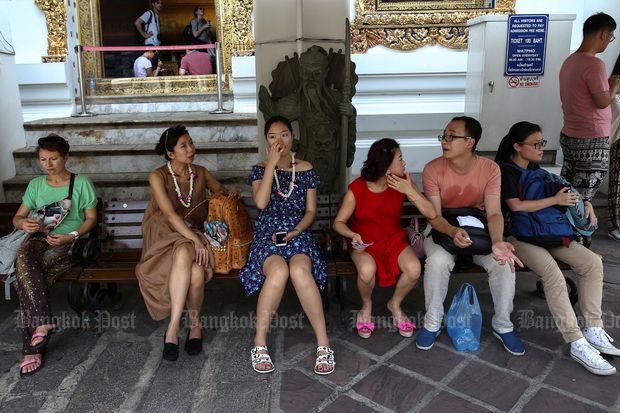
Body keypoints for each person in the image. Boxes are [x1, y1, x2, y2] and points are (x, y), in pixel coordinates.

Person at [495, 121, 620, 375]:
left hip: (550, 233)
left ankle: (593, 328)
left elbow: (561, 191)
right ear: (518, 146)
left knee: (591, 263)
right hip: (520, 237)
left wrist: (584, 201)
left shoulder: (535, 169)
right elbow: (515, 207)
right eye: (536, 144)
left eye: (542, 143)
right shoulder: (505, 172)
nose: (542, 148)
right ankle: (576, 341)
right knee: (552, 274)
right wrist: (554, 200)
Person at [417, 116, 525, 355]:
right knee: (437, 261)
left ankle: (502, 325)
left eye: (451, 136)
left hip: (479, 229)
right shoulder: (433, 168)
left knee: (503, 263)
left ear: (469, 142)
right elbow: (433, 216)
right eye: (443, 135)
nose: (444, 141)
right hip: (442, 228)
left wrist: (498, 242)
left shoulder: (490, 169)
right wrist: (452, 231)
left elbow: (495, 213)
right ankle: (432, 322)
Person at [239, 115, 335, 375]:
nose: (279, 140)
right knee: (279, 271)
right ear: (266, 141)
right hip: (267, 234)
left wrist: (294, 232)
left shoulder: (305, 169)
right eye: (272, 136)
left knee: (300, 270)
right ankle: (259, 342)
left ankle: (323, 343)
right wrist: (271, 165)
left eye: (284, 134)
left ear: (292, 137)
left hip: (297, 232)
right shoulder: (260, 169)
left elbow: (311, 211)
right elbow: (260, 203)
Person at [135, 125, 233, 362]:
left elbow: (222, 192)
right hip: (163, 232)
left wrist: (229, 196)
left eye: (191, 143)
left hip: (191, 233)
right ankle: (186, 325)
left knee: (196, 273)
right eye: (184, 145)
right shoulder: (157, 176)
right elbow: (168, 214)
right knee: (186, 254)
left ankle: (177, 327)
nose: (191, 149)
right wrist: (194, 240)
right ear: (170, 153)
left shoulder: (201, 172)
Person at [332, 138, 437, 339]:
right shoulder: (358, 188)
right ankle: (366, 306)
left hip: (393, 239)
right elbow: (339, 222)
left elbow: (431, 212)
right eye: (400, 158)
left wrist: (410, 191)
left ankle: (395, 304)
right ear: (386, 164)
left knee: (414, 269)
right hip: (364, 242)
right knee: (366, 270)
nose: (404, 163)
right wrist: (352, 235)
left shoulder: (404, 183)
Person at [13, 134, 97, 376]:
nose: (48, 164)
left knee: (24, 278)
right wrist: (23, 224)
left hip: (70, 241)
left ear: (65, 157)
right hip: (38, 239)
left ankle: (32, 348)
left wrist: (71, 235)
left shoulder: (81, 183)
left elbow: (91, 219)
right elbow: (17, 217)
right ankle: (43, 321)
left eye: (53, 159)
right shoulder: (35, 186)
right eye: (43, 159)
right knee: (25, 256)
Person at [258, 45, 357, 193]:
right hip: (307, 158)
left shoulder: (337, 100)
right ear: (300, 72)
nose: (311, 79)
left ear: (326, 73)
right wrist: (290, 143)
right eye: (307, 73)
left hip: (334, 159)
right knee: (306, 197)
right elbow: (273, 120)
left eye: (316, 74)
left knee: (334, 197)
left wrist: (350, 115)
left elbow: (348, 130)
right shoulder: (296, 101)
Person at [559, 12, 620, 208]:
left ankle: (561, 231)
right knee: (582, 200)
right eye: (610, 37)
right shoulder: (594, 64)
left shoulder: (570, 61)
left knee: (567, 192)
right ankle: (577, 236)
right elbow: (602, 101)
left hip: (570, 134)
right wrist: (615, 89)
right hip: (591, 139)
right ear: (603, 34)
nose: (608, 42)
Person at [608, 54, 620, 242]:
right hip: (618, 140)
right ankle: (616, 226)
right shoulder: (614, 86)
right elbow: (612, 105)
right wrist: (614, 89)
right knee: (617, 185)